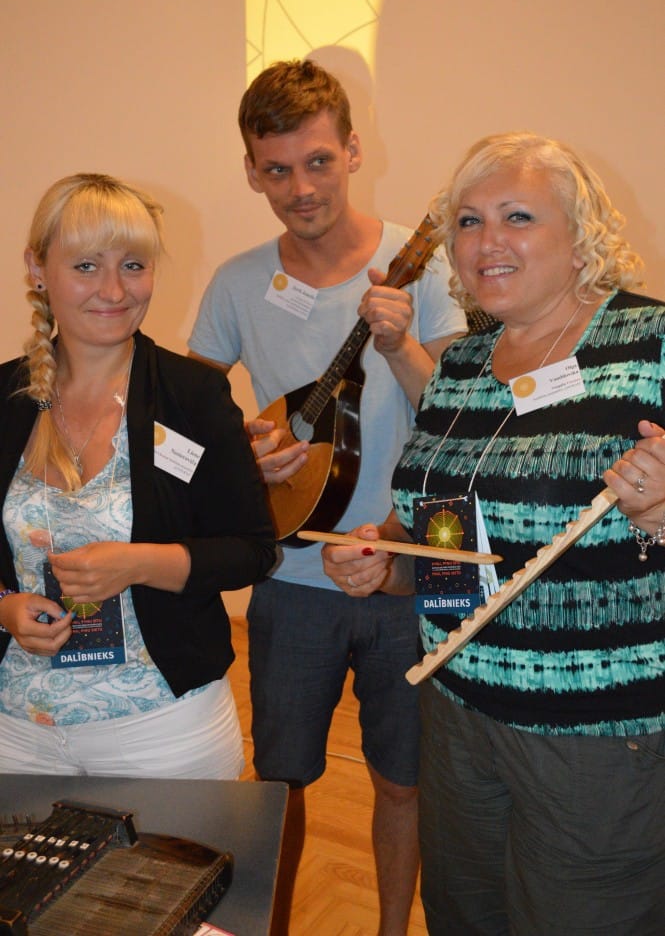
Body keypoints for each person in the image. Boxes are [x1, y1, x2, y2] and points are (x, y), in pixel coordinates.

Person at [321, 132, 665, 935]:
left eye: (517, 216)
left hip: (594, 735)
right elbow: (450, 533)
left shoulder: (648, 343)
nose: (486, 241)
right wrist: (387, 563)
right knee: (463, 914)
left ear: (580, 235)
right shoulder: (462, 365)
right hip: (457, 711)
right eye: (468, 221)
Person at [188, 59, 466, 934]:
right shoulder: (237, 283)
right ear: (250, 171)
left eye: (316, 161)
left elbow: (457, 419)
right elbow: (184, 426)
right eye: (277, 169)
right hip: (291, 581)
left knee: (402, 781)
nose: (300, 188)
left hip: (405, 571)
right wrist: (245, 453)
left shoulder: (422, 268)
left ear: (352, 150)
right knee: (280, 782)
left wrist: (398, 347)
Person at [0, 173, 275, 780]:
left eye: (133, 265)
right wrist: (4, 609)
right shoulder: (5, 398)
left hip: (161, 728)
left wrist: (139, 563)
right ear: (37, 269)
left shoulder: (194, 396)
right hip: (16, 728)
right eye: (86, 266)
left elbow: (252, 551)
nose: (114, 290)